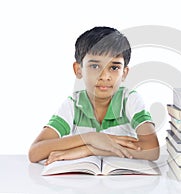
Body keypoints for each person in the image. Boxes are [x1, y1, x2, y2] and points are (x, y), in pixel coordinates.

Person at [28, 26, 160, 165]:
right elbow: (35, 152)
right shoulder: (73, 104)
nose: (105, 76)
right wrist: (90, 138)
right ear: (79, 70)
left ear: (124, 73)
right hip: (84, 181)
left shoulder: (129, 100)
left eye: (114, 68)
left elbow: (153, 150)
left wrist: (91, 149)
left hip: (123, 181)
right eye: (95, 66)